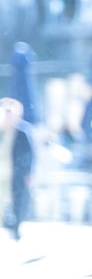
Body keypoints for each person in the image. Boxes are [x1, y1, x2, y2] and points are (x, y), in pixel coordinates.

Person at [0, 97, 36, 239]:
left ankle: (15, 228)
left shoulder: (22, 133)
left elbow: (29, 155)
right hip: (2, 172)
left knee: (17, 200)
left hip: (16, 173)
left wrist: (28, 173)